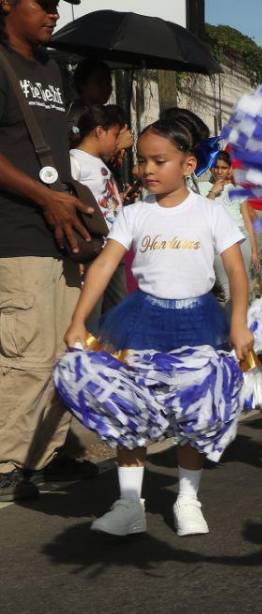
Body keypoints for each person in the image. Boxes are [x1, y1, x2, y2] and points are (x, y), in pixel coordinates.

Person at [57, 108, 253, 537]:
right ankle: (130, 503)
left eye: (158, 161)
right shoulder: (134, 214)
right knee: (132, 407)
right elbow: (105, 265)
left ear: (187, 164)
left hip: (198, 322)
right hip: (142, 322)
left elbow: (236, 272)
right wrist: (78, 320)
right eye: (142, 160)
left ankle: (188, 498)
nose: (147, 169)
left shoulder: (211, 212)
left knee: (194, 408)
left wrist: (238, 322)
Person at [0, 0, 97, 502]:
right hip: (17, 234)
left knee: (66, 353)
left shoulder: (53, 68)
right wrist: (43, 197)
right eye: (42, 3)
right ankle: (5, 462)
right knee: (29, 358)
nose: (53, 14)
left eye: (58, 5)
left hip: (63, 235)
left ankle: (43, 455)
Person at [69, 104, 130, 317]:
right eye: (115, 135)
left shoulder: (99, 162)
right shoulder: (75, 160)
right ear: (99, 131)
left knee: (118, 308)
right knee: (91, 311)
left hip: (113, 247)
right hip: (94, 249)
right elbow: (71, 202)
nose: (117, 141)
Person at [197, 151, 261, 300]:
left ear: (230, 169)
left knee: (246, 286)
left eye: (224, 168)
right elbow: (201, 215)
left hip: (241, 238)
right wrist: (213, 192)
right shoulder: (202, 187)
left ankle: (246, 314)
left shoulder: (238, 190)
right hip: (218, 241)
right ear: (211, 168)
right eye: (216, 167)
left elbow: (246, 220)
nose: (219, 171)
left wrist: (254, 251)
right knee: (227, 288)